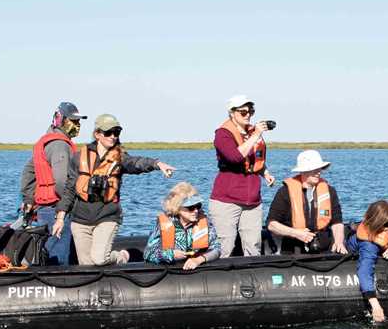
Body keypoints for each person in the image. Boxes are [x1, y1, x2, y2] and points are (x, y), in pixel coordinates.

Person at [70, 113, 176, 266]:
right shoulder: (79, 157)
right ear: (97, 134)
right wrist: (60, 216)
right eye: (108, 132)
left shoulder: (120, 157)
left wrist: (156, 164)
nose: (113, 136)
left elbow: (135, 163)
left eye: (116, 132)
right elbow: (69, 187)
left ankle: (121, 257)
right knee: (86, 264)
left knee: (99, 259)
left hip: (107, 215)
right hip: (81, 218)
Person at [18, 101, 83, 264]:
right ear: (61, 119)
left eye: (78, 121)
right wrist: (70, 204)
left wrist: (28, 199)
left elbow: (28, 172)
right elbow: (61, 181)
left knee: (48, 250)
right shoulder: (60, 145)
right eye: (73, 121)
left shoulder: (45, 142)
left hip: (44, 209)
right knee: (59, 257)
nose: (77, 125)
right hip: (57, 209)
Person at [210, 94, 270, 258]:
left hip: (252, 200)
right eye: (243, 112)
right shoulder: (223, 134)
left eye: (251, 111)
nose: (248, 115)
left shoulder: (251, 132)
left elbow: (255, 159)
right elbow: (235, 157)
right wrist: (256, 135)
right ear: (232, 113)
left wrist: (265, 173)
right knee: (225, 246)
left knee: (253, 246)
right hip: (226, 200)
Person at [265, 149, 347, 255]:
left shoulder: (330, 191)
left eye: (319, 168)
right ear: (303, 171)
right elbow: (271, 225)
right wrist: (296, 233)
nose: (318, 172)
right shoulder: (284, 192)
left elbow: (337, 222)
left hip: (324, 249)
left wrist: (339, 241)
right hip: (293, 251)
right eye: (314, 169)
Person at [146, 182, 213, 269]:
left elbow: (216, 249)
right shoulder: (163, 224)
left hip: (198, 270)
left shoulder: (204, 221)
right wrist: (170, 254)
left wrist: (198, 260)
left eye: (198, 206)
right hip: (171, 269)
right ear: (178, 208)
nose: (196, 211)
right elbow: (148, 254)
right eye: (190, 207)